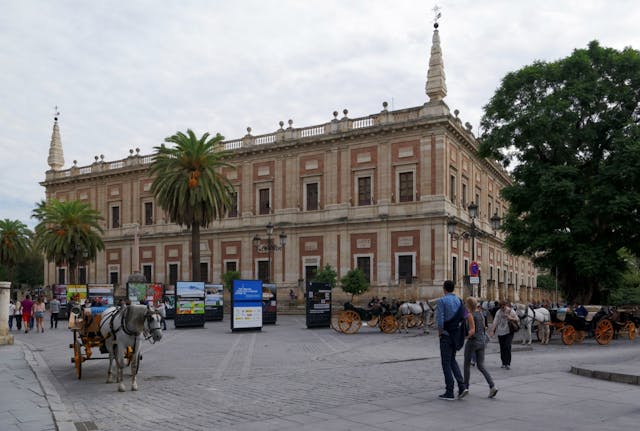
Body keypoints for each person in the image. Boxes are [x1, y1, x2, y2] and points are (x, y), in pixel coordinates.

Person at [436, 280, 466, 401]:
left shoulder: (442, 301)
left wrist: (440, 332)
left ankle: (449, 391)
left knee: (446, 363)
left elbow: (440, 319)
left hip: (447, 335)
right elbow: (464, 316)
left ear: (444, 289)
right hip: (456, 335)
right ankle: (462, 386)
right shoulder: (459, 300)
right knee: (452, 360)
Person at [462, 297, 498, 398]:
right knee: (481, 365)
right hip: (482, 341)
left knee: (466, 365)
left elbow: (471, 330)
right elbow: (483, 327)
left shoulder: (470, 315)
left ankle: (465, 387)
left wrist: (465, 337)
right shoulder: (481, 314)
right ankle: (492, 386)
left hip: (473, 342)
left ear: (468, 305)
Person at [489, 300, 518, 370]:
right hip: (500, 332)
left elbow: (517, 319)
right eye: (501, 307)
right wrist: (492, 330)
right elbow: (495, 322)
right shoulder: (498, 312)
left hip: (509, 331)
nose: (503, 308)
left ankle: (508, 363)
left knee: (507, 346)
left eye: (504, 307)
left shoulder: (510, 311)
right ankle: (503, 362)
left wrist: (510, 318)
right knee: (502, 348)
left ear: (506, 305)